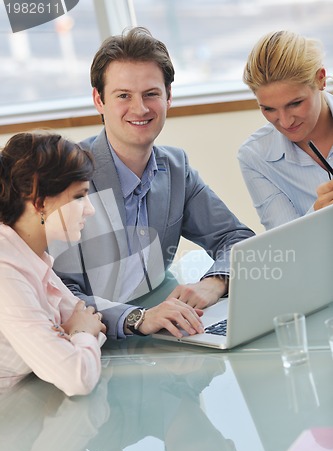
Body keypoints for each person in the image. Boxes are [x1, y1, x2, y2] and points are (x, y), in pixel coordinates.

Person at [55, 26, 255, 340]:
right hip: (92, 342)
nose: (140, 108)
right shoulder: (67, 176)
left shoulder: (176, 168)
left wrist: (215, 281)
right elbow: (57, 292)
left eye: (151, 94)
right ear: (99, 100)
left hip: (166, 331)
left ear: (168, 97)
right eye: (123, 95)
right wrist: (137, 318)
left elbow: (237, 238)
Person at [0, 132, 107, 396]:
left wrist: (75, 332)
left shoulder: (32, 257)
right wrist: (78, 332)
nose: (90, 209)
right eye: (79, 196)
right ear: (39, 201)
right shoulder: (5, 269)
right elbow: (77, 378)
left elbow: (96, 324)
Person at [238, 30, 333, 230]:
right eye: (269, 109)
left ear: (321, 79)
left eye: (295, 103)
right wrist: (318, 215)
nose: (285, 121)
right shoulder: (255, 156)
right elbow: (285, 246)